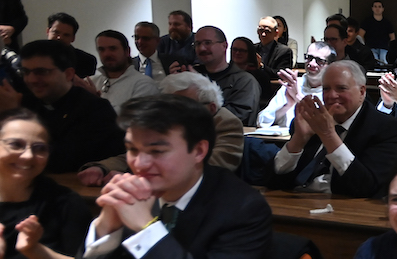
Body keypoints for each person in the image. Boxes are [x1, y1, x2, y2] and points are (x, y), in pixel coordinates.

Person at [71, 95, 303, 259]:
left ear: (199, 151)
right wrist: (105, 227)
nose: (139, 164)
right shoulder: (140, 199)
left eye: (157, 151)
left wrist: (146, 229)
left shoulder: (243, 206)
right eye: (132, 149)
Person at [79, 71, 246, 181]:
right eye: (169, 104)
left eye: (183, 105)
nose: (174, 112)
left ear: (211, 108)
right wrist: (102, 167)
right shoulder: (166, 122)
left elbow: (211, 166)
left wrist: (134, 177)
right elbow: (136, 152)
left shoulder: (226, 123)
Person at [271, 60, 397, 197]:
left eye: (341, 88)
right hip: (295, 202)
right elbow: (274, 178)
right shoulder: (310, 121)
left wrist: (328, 135)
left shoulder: (384, 127)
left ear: (361, 92)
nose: (332, 96)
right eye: (326, 89)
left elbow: (366, 187)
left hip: (343, 209)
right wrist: (299, 139)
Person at [0, 109, 92, 259]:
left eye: (39, 148)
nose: (28, 156)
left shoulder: (66, 203)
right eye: (16, 145)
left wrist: (34, 250)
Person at [0, 40, 124, 174]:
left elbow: (60, 162)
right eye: (26, 72)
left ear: (68, 74)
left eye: (41, 72)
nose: (31, 80)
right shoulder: (28, 102)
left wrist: (12, 116)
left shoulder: (94, 109)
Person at [170, 25, 261, 126]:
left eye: (208, 43)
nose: (202, 48)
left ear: (224, 46)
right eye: (197, 44)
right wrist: (174, 83)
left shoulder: (244, 81)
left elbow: (235, 117)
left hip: (226, 137)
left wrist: (201, 84)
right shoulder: (190, 75)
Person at [258, 41, 334, 127]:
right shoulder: (292, 85)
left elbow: (325, 125)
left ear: (330, 65)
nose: (312, 63)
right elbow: (261, 120)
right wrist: (287, 105)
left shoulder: (334, 91)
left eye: (319, 60)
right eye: (309, 57)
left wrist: (298, 97)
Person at [86, 30, 159, 114]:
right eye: (101, 50)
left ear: (127, 51)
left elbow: (133, 121)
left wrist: (95, 100)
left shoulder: (143, 84)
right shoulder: (91, 82)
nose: (107, 54)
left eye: (113, 49)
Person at [229, 36, 275, 112]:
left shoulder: (260, 76)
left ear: (249, 52)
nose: (237, 53)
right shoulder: (225, 72)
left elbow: (265, 101)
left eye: (242, 50)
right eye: (235, 49)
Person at [46, 12, 97, 78]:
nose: (60, 37)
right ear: (47, 31)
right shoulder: (31, 54)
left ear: (73, 38)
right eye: (56, 32)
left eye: (66, 35)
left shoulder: (86, 61)